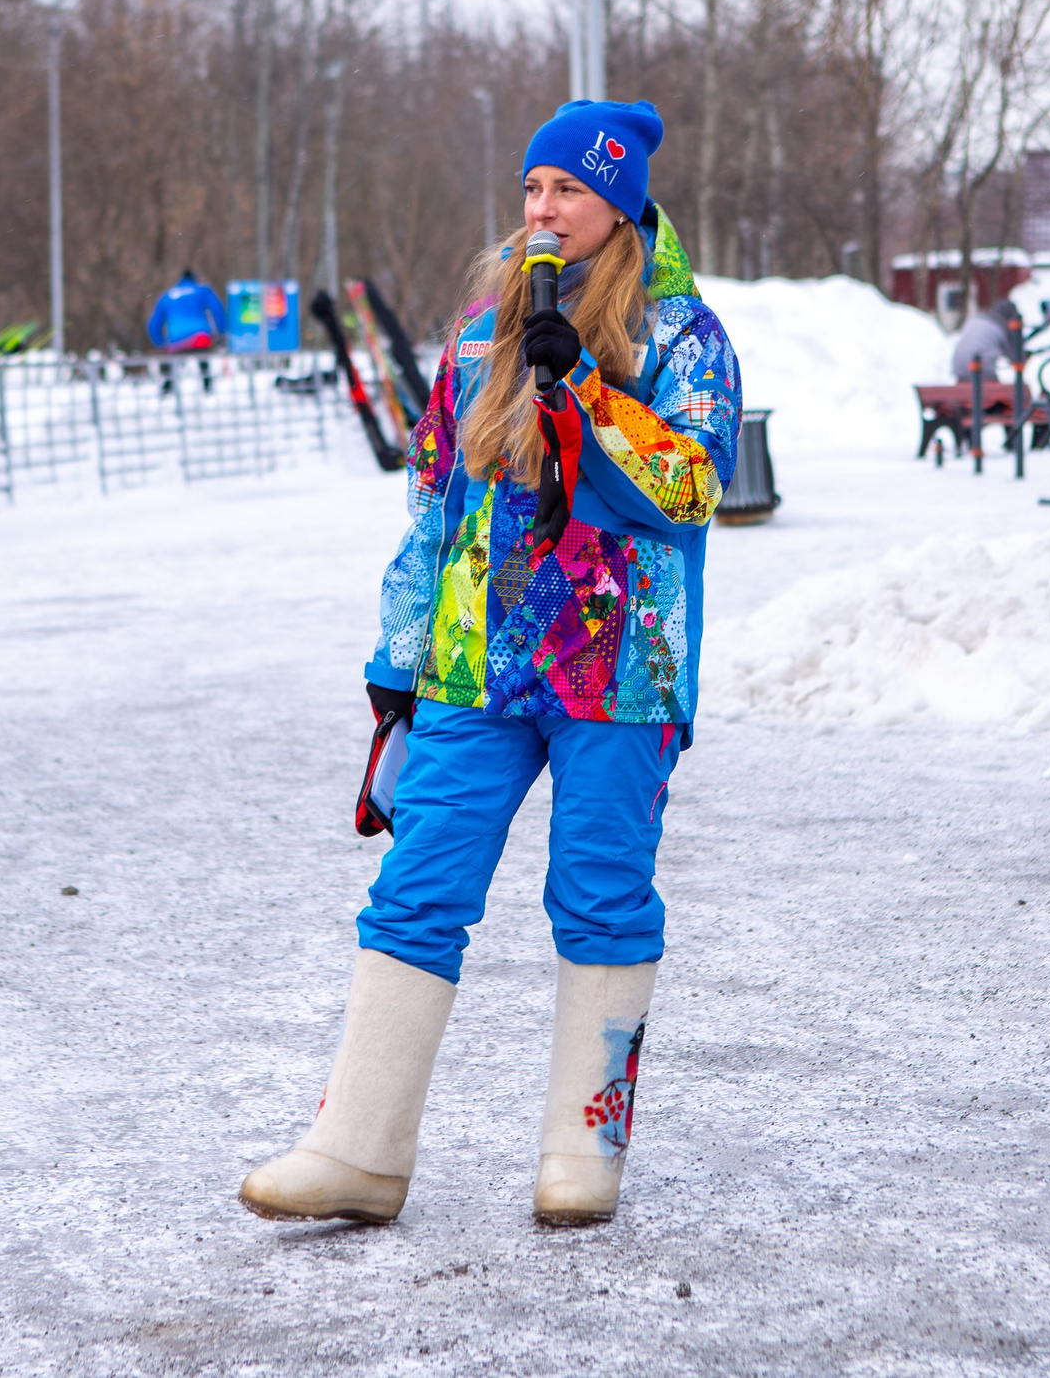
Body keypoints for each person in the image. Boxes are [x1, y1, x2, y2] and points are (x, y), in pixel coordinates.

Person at [237, 98, 742, 1230]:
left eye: (569, 189)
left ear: (620, 203)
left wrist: (590, 395)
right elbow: (431, 501)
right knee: (417, 887)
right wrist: (399, 657)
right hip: (477, 659)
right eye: (532, 187)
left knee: (600, 896)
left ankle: (582, 1156)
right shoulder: (480, 333)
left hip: (622, 665)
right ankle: (358, 1148)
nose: (545, 208)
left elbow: (697, 486)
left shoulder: (684, 337)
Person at [147, 269, 226, 396]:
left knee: (172, 366)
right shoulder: (202, 291)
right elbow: (218, 310)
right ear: (194, 279)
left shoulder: (168, 296)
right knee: (203, 360)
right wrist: (222, 332)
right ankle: (207, 386)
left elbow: (153, 324)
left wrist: (160, 342)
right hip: (200, 338)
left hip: (176, 340)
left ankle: (167, 388)